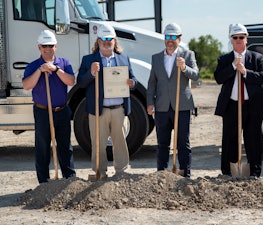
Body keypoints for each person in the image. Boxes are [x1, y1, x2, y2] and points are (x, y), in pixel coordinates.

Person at [77, 23, 137, 178]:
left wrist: (132, 83)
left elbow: (133, 78)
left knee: (120, 142)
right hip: (98, 110)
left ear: (114, 40)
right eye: (103, 38)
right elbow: (80, 83)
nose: (106, 41)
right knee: (98, 143)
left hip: (118, 109)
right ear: (98, 41)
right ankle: (99, 172)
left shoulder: (123, 58)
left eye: (109, 38)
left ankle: (121, 171)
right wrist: (91, 73)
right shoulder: (88, 60)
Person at [214, 23, 263, 177]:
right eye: (235, 37)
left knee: (253, 139)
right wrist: (232, 66)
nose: (238, 40)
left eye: (241, 37)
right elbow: (218, 78)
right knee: (230, 139)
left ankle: (255, 172)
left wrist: (245, 72)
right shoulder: (224, 59)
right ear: (231, 39)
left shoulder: (256, 58)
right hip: (231, 105)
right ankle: (228, 171)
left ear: (246, 39)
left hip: (251, 105)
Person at [22, 30, 76, 183]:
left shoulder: (64, 63)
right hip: (42, 112)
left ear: (55, 46)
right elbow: (26, 85)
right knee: (43, 147)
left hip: (62, 110)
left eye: (50, 45)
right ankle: (43, 182)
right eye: (44, 45)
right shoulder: (33, 66)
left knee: (65, 146)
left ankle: (69, 179)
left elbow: (71, 81)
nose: (47, 48)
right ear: (39, 47)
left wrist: (56, 69)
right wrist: (40, 70)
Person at [146, 23, 199, 178]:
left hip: (182, 105)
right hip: (162, 106)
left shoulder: (188, 55)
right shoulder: (156, 58)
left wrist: (184, 68)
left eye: (173, 37)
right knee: (162, 143)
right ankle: (161, 174)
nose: (170, 40)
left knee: (183, 142)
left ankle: (185, 174)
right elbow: (152, 83)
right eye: (167, 37)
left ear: (179, 38)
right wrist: (150, 102)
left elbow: (195, 75)